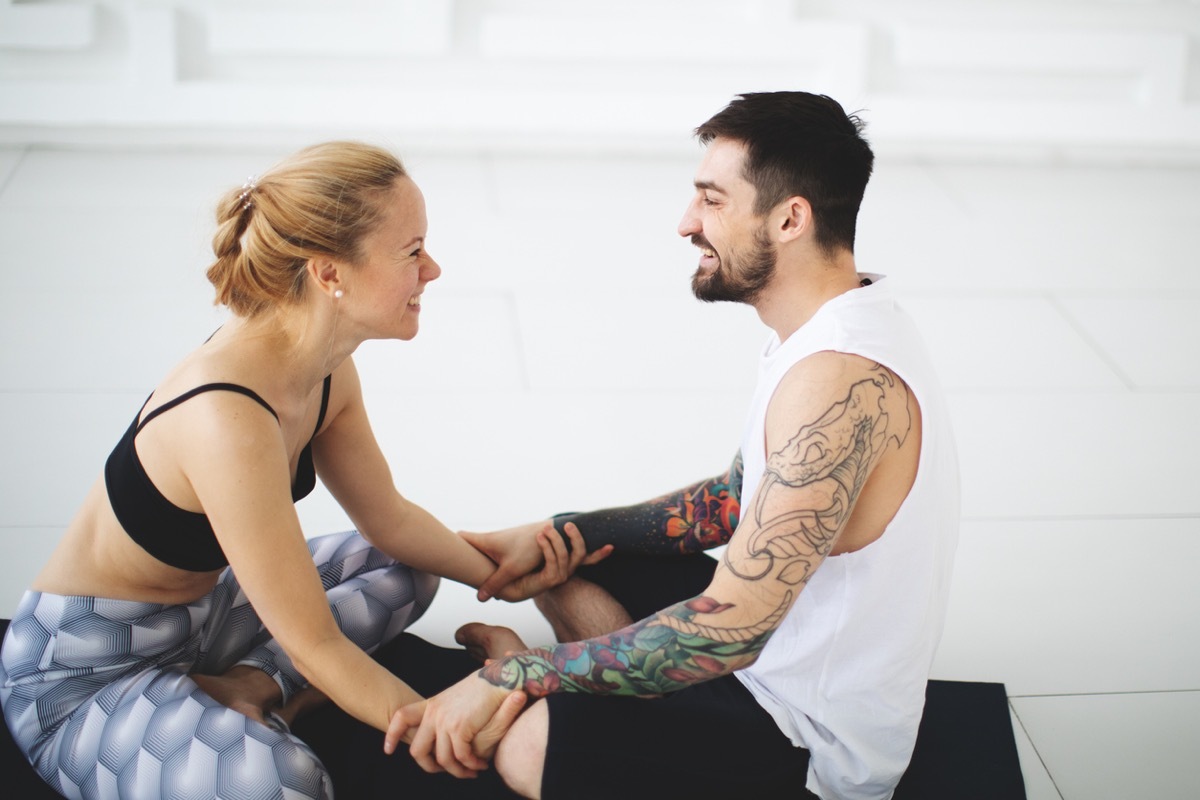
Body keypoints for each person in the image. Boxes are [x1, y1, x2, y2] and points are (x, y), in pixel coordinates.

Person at [387, 92, 961, 800]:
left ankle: (563, 701)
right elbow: (731, 499)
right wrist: (559, 532)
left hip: (807, 733)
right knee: (576, 554)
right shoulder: (836, 323)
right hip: (769, 649)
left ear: (790, 218)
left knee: (529, 745)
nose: (687, 223)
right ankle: (606, 693)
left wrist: (518, 673)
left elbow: (731, 634)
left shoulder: (836, 385)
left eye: (712, 201)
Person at [0, 141, 605, 800]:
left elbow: (391, 521)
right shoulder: (224, 417)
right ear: (328, 274)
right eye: (411, 252)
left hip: (206, 619)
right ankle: (258, 713)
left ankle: (253, 690)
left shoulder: (324, 369)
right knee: (284, 783)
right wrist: (444, 725)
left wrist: (506, 572)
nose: (432, 268)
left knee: (410, 563)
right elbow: (315, 642)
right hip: (91, 672)